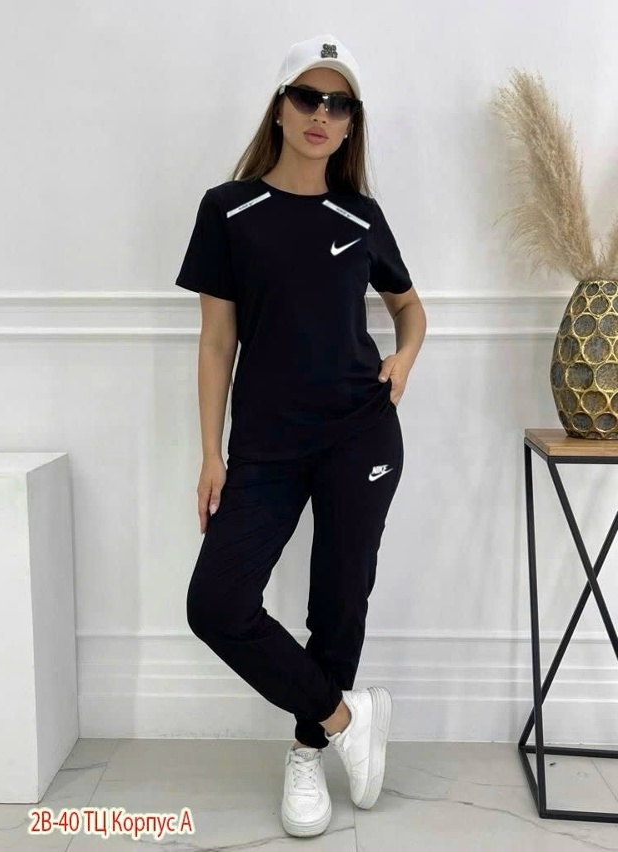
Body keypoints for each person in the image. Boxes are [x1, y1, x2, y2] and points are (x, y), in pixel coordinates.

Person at [175, 33, 426, 839]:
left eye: (339, 104)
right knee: (217, 604)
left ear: (352, 124)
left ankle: (308, 751)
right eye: (308, 97)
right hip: (267, 444)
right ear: (280, 109)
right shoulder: (228, 209)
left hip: (361, 432)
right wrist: (211, 453)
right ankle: (346, 719)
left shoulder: (361, 215)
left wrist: (405, 358)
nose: (322, 114)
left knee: (338, 602)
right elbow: (217, 340)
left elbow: (409, 308)